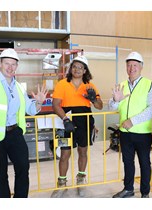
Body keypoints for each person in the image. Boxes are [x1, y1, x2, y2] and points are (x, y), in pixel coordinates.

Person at [0, 48, 48, 198]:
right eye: (7, 63)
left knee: (23, 167)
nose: (10, 67)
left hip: (15, 133)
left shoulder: (19, 87)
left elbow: (30, 109)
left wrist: (39, 103)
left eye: (13, 64)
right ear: (0, 63)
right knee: (0, 173)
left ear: (17, 66)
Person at [51, 55, 103, 197]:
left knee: (82, 151)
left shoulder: (90, 86)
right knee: (64, 154)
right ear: (71, 68)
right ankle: (61, 183)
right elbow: (55, 105)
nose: (77, 69)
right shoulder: (62, 84)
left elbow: (100, 106)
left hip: (84, 121)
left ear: (85, 70)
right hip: (65, 121)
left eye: (81, 67)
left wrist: (93, 99)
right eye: (75, 66)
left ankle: (80, 180)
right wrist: (65, 119)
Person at [109, 52, 152, 198]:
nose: (132, 68)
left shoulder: (150, 84)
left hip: (142, 134)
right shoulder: (122, 85)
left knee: (144, 164)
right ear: (126, 67)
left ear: (141, 67)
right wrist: (115, 100)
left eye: (135, 65)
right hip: (125, 133)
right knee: (127, 162)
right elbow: (111, 107)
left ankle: (145, 193)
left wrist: (133, 121)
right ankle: (128, 189)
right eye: (129, 65)